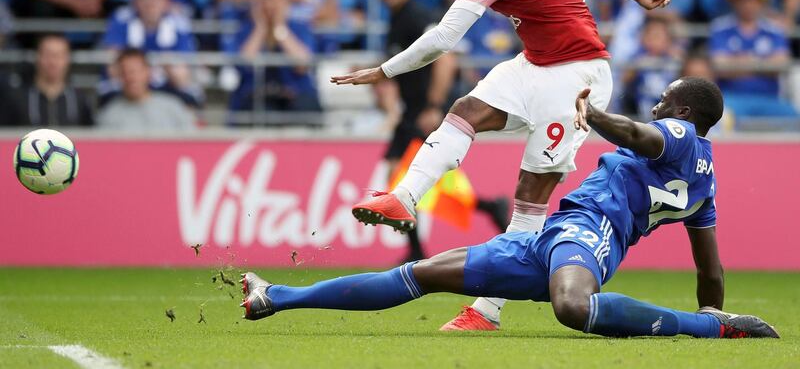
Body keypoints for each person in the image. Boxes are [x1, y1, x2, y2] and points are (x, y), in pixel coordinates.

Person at [240, 78, 780, 340]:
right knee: (422, 273)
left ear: (684, 112)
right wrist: (716, 305)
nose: (658, 105)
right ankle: (277, 297)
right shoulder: (704, 190)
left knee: (573, 307)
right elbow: (710, 266)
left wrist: (591, 113)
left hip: (590, 233)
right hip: (556, 233)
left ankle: (705, 330)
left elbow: (640, 133)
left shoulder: (680, 133)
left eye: (665, 100)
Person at [331, 0, 670, 330]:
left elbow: (443, 39)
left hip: (577, 74)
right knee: (464, 111)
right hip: (537, 61)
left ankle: (486, 309)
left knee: (531, 195)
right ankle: (403, 197)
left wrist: (382, 71)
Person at [374, 0, 510, 261]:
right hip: (412, 111)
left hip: (425, 111)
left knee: (407, 177)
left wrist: (434, 106)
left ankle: (418, 248)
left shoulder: (416, 16)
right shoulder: (397, 19)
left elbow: (446, 60)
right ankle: (486, 210)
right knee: (408, 177)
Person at [220, 0, 323, 124]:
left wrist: (280, 29)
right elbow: (244, 64)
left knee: (306, 107)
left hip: (294, 95)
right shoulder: (245, 30)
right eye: (263, 1)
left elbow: (303, 64)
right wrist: (260, 30)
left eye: (274, 1)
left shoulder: (299, 29)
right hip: (256, 96)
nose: (269, 6)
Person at [709, 0, 797, 119]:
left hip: (770, 99)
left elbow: (781, 65)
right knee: (720, 117)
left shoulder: (774, 30)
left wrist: (740, 63)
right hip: (730, 98)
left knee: (793, 117)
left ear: (763, 2)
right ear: (735, 0)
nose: (748, 4)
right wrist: (763, 64)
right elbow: (719, 67)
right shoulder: (720, 28)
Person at [0, 33, 93, 126]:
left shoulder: (79, 99)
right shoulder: (18, 98)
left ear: (68, 59)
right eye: (47, 54)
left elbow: (91, 135)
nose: (53, 62)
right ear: (37, 57)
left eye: (59, 55)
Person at [97, 49, 196, 131]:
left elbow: (193, 142)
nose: (131, 78)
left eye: (135, 71)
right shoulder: (109, 115)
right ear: (119, 76)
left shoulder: (172, 108)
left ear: (148, 72)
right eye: (125, 72)